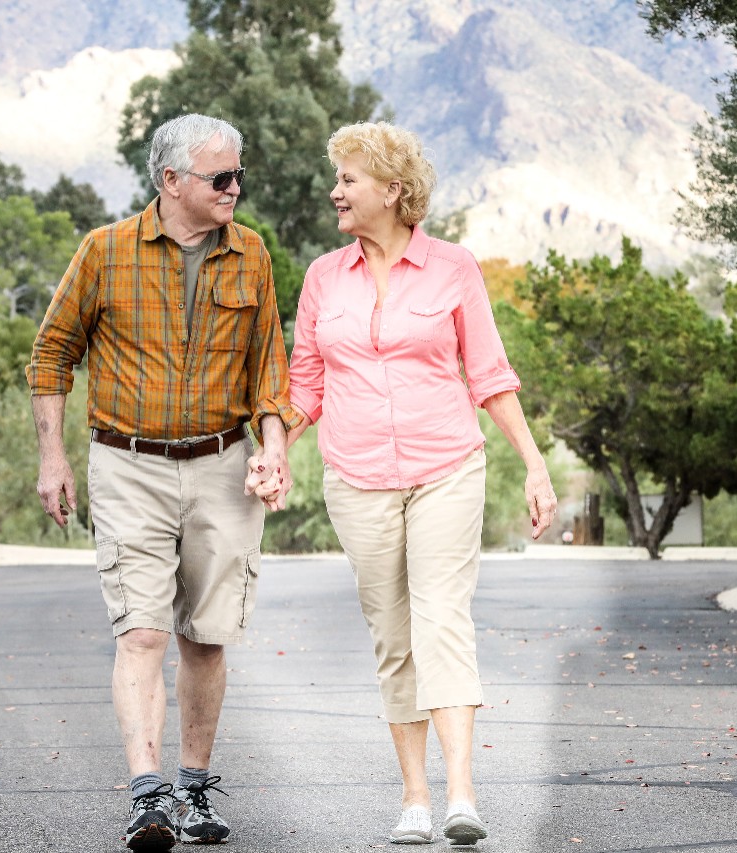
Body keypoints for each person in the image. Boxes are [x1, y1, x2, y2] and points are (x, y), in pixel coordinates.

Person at [248, 121, 557, 846]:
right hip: (356, 479)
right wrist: (275, 448)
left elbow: (489, 374)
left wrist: (535, 462)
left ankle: (459, 791)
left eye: (348, 180)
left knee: (441, 618)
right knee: (393, 635)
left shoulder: (453, 269)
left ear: (393, 189)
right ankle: (413, 796)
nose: (335, 192)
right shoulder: (325, 276)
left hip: (446, 466)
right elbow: (306, 383)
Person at [27, 113, 297, 851]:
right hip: (127, 462)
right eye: (220, 177)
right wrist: (53, 457)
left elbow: (270, 369)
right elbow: (51, 354)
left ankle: (193, 786)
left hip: (223, 464)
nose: (235, 187)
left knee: (205, 638)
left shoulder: (252, 255)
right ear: (170, 180)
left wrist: (274, 447)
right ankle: (148, 797)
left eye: (239, 174)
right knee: (142, 631)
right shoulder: (104, 251)